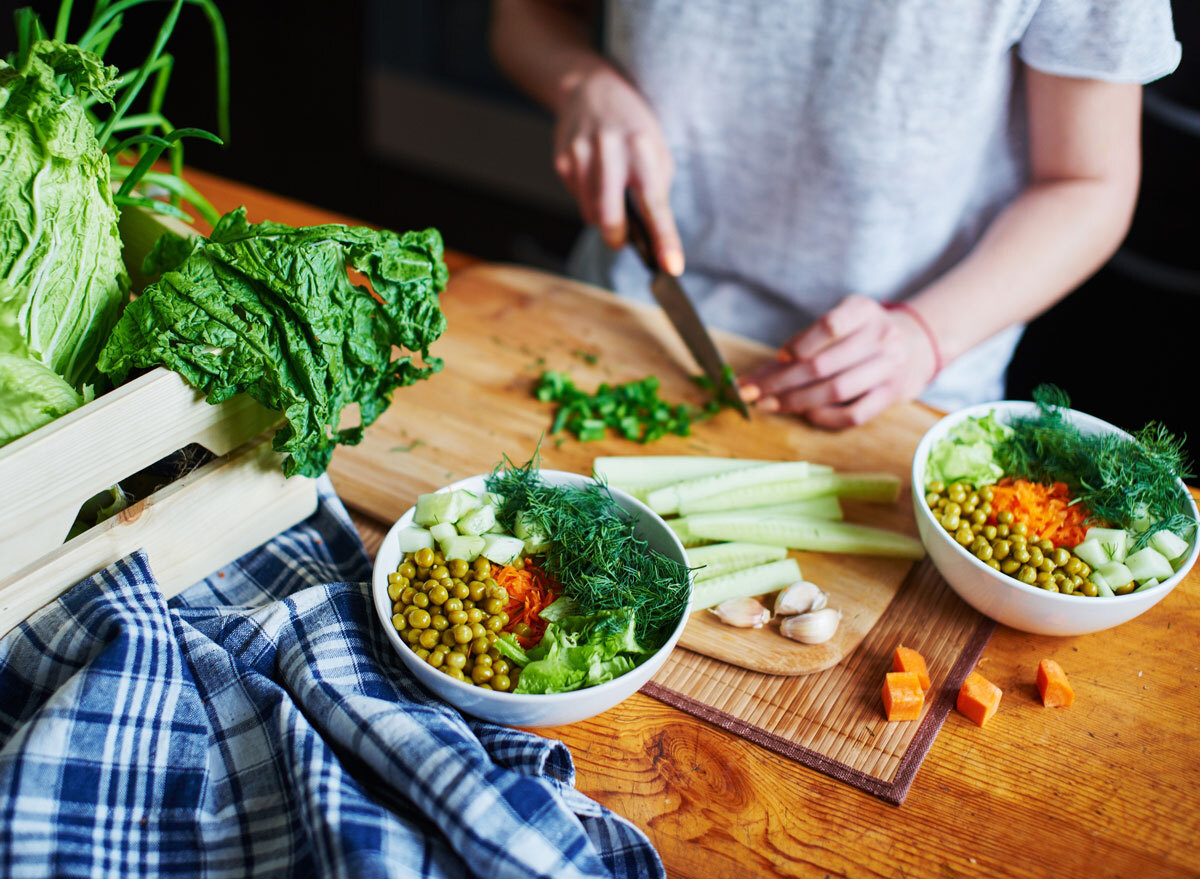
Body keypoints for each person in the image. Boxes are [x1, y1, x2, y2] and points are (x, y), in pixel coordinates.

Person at [490, 0, 1181, 425]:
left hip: (896, 395)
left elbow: (1088, 182)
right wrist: (580, 81)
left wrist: (920, 337)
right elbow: (523, 17)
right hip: (617, 327)